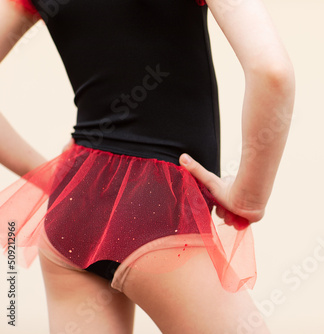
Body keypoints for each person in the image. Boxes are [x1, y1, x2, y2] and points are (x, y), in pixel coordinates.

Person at [0, 0, 295, 332]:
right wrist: (248, 197)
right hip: (158, 210)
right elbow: (272, 71)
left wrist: (54, 179)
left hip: (72, 211)